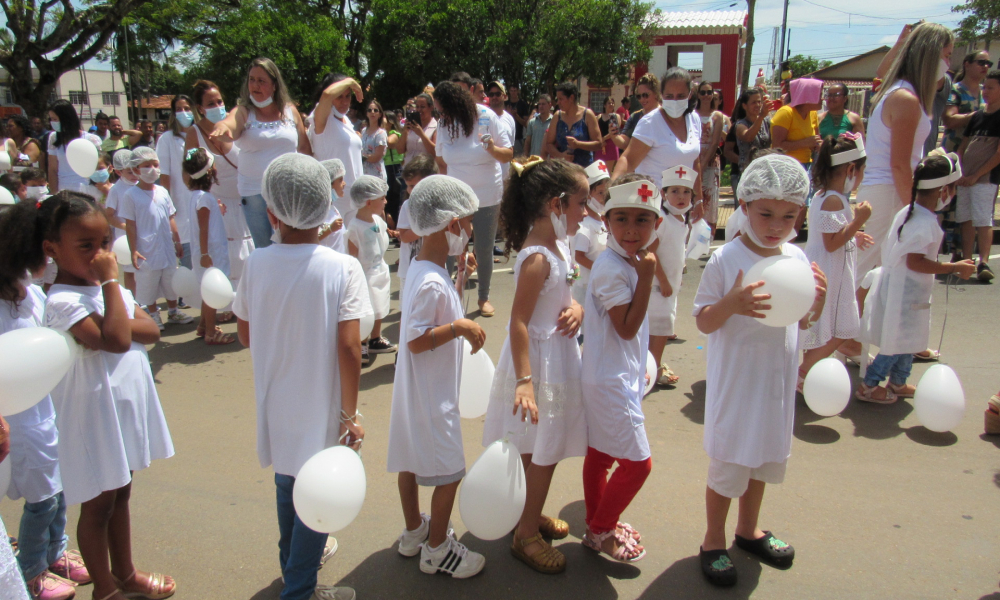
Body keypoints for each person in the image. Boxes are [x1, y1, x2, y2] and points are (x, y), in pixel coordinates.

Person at [233, 153, 366, 600]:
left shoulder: (256, 263)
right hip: (321, 408)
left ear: (271, 212)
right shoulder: (342, 268)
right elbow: (349, 349)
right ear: (326, 206)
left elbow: (246, 335)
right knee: (315, 501)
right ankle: (300, 590)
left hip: (276, 403)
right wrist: (350, 414)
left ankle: (293, 569)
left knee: (288, 486)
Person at [692, 154, 826, 586]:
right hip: (738, 382)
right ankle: (713, 539)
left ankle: (748, 529)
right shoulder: (725, 259)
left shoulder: (797, 258)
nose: (776, 225)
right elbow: (703, 321)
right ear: (744, 206)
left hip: (775, 383)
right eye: (766, 213)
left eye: (789, 216)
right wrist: (732, 303)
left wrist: (815, 305)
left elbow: (801, 320)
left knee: (763, 458)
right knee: (730, 461)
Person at [41, 190, 176, 600]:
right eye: (86, 246)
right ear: (52, 249)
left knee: (122, 491)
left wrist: (112, 300)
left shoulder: (106, 293)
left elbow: (150, 331)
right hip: (93, 414)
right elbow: (117, 340)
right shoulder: (63, 300)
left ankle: (125, 571)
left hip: (122, 410)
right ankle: (104, 587)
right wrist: (112, 283)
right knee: (97, 504)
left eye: (104, 244)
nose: (100, 255)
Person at [483, 158, 589, 574]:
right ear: (555, 204)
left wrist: (576, 307)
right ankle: (526, 535)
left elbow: (563, 297)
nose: (586, 211)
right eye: (581, 203)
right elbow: (519, 322)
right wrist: (525, 382)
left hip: (557, 357)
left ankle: (529, 511)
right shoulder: (538, 259)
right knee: (543, 451)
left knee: (539, 447)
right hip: (539, 366)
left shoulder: (561, 247)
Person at [387, 175, 487, 578]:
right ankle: (437, 548)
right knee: (451, 473)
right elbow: (415, 339)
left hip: (415, 389)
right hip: (433, 394)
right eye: (466, 223)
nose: (469, 230)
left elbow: (437, 305)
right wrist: (461, 327)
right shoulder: (430, 279)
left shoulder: (421, 267)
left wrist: (459, 273)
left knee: (409, 460)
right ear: (450, 225)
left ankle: (414, 530)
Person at [0, 202, 90, 600]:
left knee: (59, 488)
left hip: (45, 411)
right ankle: (32, 569)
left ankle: (56, 551)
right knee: (42, 498)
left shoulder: (32, 294)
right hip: (17, 422)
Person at [580, 177, 662, 563]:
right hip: (610, 380)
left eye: (642, 219)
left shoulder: (627, 259)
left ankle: (596, 523)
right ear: (606, 220)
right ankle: (600, 529)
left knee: (600, 455)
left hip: (609, 373)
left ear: (657, 224)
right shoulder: (614, 267)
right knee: (638, 465)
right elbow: (626, 327)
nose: (631, 229)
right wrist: (647, 277)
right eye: (622, 219)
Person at [859, 153, 976, 402]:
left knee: (910, 339)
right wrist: (953, 268)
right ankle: (869, 385)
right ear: (944, 190)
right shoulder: (922, 222)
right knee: (895, 342)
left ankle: (898, 382)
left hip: (908, 291)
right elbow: (915, 261)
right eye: (953, 189)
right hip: (905, 292)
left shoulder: (910, 213)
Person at [855, 23, 954, 284]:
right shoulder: (906, 99)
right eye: (946, 55)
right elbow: (900, 164)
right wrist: (916, 209)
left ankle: (854, 323)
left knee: (876, 270)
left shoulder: (901, 92)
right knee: (868, 271)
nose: (948, 62)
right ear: (930, 55)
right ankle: (841, 324)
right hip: (889, 191)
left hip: (886, 190)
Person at [209, 57, 312, 249]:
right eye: (251, 80)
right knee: (265, 248)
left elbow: (305, 148)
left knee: (292, 245)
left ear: (274, 85)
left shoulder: (290, 111)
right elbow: (230, 124)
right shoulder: (243, 112)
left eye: (261, 81)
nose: (255, 85)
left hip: (288, 190)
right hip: (255, 194)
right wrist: (222, 128)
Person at [798, 134, 874, 385]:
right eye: (861, 172)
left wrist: (854, 235)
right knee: (844, 328)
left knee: (823, 328)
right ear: (851, 169)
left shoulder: (827, 195)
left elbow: (833, 234)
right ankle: (804, 371)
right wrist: (858, 221)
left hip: (829, 267)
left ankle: (809, 374)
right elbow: (831, 243)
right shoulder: (832, 199)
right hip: (830, 271)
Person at [433, 80, 512, 318]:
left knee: (484, 248)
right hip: (457, 198)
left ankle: (483, 298)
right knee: (452, 247)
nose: (441, 114)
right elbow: (440, 159)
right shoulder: (444, 124)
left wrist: (491, 149)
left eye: (443, 109)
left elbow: (508, 154)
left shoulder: (487, 116)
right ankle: (448, 296)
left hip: (487, 195)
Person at [612, 68, 705, 221]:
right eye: (669, 96)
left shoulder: (694, 119)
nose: (675, 101)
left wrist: (699, 200)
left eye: (680, 96)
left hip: (682, 208)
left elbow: (695, 161)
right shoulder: (650, 123)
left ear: (689, 94)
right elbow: (628, 159)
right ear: (661, 95)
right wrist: (611, 190)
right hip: (653, 207)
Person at [187, 79, 253, 291]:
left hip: (245, 199)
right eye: (210, 103)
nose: (217, 107)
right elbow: (188, 173)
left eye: (219, 101)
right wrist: (207, 199)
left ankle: (246, 297)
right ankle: (225, 299)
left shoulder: (234, 125)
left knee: (249, 253)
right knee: (227, 254)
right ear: (200, 108)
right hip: (219, 203)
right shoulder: (194, 134)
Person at [120, 146, 192, 329]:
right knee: (148, 283)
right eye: (147, 165)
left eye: (155, 164)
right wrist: (134, 249)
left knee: (170, 280)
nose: (152, 169)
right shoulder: (131, 195)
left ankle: (173, 311)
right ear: (136, 170)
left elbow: (171, 218)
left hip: (166, 245)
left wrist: (177, 240)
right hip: (146, 248)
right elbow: (130, 225)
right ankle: (153, 314)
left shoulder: (162, 192)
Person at [649, 165, 698, 387]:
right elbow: (650, 250)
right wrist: (664, 279)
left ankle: (652, 367)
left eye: (686, 191)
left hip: (670, 287)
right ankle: (654, 369)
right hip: (658, 287)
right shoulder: (663, 219)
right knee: (659, 332)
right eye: (675, 191)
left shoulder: (682, 220)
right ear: (664, 193)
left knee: (662, 331)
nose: (681, 196)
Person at [184, 147, 235, 345]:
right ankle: (211, 333)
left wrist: (217, 211)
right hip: (210, 253)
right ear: (209, 171)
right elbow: (203, 228)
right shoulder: (204, 198)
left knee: (207, 291)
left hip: (207, 252)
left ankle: (204, 326)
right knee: (212, 292)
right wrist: (205, 253)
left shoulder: (198, 196)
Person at [955, 68, 1000, 281]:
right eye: (984, 87)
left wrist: (976, 175)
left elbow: (998, 154)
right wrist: (962, 171)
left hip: (985, 179)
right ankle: (967, 260)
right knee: (966, 219)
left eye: (991, 87)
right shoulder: (977, 117)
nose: (985, 91)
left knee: (983, 220)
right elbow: (963, 146)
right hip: (965, 178)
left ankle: (983, 262)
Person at [348, 175, 396, 357]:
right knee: (366, 309)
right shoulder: (355, 227)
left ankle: (375, 337)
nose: (386, 201)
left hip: (380, 270)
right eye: (382, 198)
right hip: (365, 274)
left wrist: (393, 232)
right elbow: (353, 255)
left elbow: (381, 236)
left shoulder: (377, 221)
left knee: (380, 305)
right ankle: (362, 342)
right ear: (368, 202)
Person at [309, 74, 366, 227]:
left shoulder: (346, 120)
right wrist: (351, 82)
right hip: (335, 198)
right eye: (339, 96)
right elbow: (327, 95)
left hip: (355, 197)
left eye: (348, 96)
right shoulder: (322, 119)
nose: (344, 102)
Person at [156, 95, 198, 269]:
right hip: (180, 207)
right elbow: (164, 175)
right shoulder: (167, 139)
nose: (184, 113)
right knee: (188, 261)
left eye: (187, 108)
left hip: (203, 202)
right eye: (179, 109)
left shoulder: (202, 134)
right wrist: (167, 206)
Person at [397, 154, 438, 295]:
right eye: (408, 186)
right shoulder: (407, 206)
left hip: (434, 266)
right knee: (409, 310)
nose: (410, 190)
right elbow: (404, 236)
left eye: (414, 186)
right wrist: (427, 226)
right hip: (409, 270)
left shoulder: (439, 205)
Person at [572, 160, 610, 306]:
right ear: (588, 196)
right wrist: (601, 270)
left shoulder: (603, 220)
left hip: (601, 283)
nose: (605, 197)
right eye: (600, 193)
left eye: (607, 192)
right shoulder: (585, 225)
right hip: (586, 285)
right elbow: (579, 256)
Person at [45, 100, 101, 194]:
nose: (52, 122)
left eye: (55, 119)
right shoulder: (53, 138)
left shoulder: (90, 139)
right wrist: (54, 194)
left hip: (86, 189)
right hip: (63, 189)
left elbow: (99, 167)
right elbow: (52, 169)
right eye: (51, 119)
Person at [104, 150, 139, 296]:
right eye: (129, 172)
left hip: (144, 233)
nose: (134, 175)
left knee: (146, 270)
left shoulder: (141, 184)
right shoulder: (116, 190)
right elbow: (109, 215)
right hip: (126, 237)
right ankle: (134, 300)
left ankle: (147, 301)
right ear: (119, 172)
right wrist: (126, 227)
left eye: (135, 170)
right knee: (130, 269)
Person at [543, 82, 601, 167]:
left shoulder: (587, 115)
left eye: (561, 99)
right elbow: (549, 144)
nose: (558, 102)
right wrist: (561, 155)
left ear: (571, 98)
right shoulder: (557, 116)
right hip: (563, 169)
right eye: (557, 99)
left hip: (584, 169)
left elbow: (599, 144)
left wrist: (578, 144)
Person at [694, 82, 726, 237]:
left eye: (709, 92)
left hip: (710, 162)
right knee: (693, 198)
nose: (706, 96)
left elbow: (714, 142)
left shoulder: (717, 116)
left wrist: (703, 163)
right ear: (698, 95)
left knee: (710, 200)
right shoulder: (692, 114)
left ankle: (707, 237)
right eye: (703, 92)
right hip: (694, 158)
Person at [943, 51, 992, 152]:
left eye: (989, 63)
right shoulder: (955, 90)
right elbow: (949, 121)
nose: (986, 66)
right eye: (981, 62)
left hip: (975, 153)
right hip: (953, 151)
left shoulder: (986, 92)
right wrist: (979, 115)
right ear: (967, 64)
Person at [734, 87, 773, 195]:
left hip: (766, 171)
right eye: (753, 102)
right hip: (748, 172)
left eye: (759, 102)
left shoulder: (766, 121)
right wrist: (761, 116)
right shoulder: (740, 124)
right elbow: (748, 137)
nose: (758, 105)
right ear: (744, 106)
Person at [614, 73, 660, 153]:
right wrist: (614, 135)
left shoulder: (667, 115)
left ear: (656, 93)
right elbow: (624, 143)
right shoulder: (635, 116)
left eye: (645, 95)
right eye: (639, 96)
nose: (642, 99)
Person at [486, 81, 516, 180]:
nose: (494, 97)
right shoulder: (483, 117)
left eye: (498, 94)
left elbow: (510, 149)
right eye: (491, 94)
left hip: (504, 175)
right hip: (487, 174)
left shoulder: (510, 119)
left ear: (505, 96)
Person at [398, 93, 437, 167]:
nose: (419, 110)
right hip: (409, 169)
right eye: (417, 107)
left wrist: (421, 134)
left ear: (431, 108)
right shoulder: (412, 126)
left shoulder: (435, 127)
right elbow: (400, 150)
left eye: (422, 107)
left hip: (426, 169)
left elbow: (435, 152)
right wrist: (405, 131)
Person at [318, 159, 348, 254]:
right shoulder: (318, 212)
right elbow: (310, 240)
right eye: (340, 180)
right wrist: (330, 229)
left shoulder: (332, 208)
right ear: (329, 184)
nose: (344, 184)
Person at [382, 111, 404, 224]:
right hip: (383, 166)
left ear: (390, 122)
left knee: (394, 197)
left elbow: (390, 142)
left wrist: (378, 133)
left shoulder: (395, 133)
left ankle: (395, 223)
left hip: (394, 167)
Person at [360, 100, 388, 181]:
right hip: (364, 173)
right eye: (369, 110)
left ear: (380, 114)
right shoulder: (363, 131)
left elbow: (377, 156)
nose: (372, 112)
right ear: (366, 113)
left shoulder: (381, 133)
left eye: (375, 110)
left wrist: (361, 157)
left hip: (376, 174)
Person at [595, 97, 622, 171]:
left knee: (608, 171)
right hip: (600, 145)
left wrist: (603, 139)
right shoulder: (599, 116)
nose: (611, 104)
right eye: (609, 103)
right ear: (604, 105)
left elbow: (615, 131)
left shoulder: (616, 116)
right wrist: (600, 140)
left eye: (612, 103)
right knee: (599, 170)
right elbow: (595, 130)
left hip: (611, 144)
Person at [506, 84, 530, 155]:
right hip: (506, 137)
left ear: (518, 92)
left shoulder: (523, 104)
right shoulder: (505, 103)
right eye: (511, 91)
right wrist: (508, 114)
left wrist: (516, 116)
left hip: (518, 137)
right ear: (509, 92)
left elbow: (525, 124)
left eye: (515, 91)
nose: (513, 93)